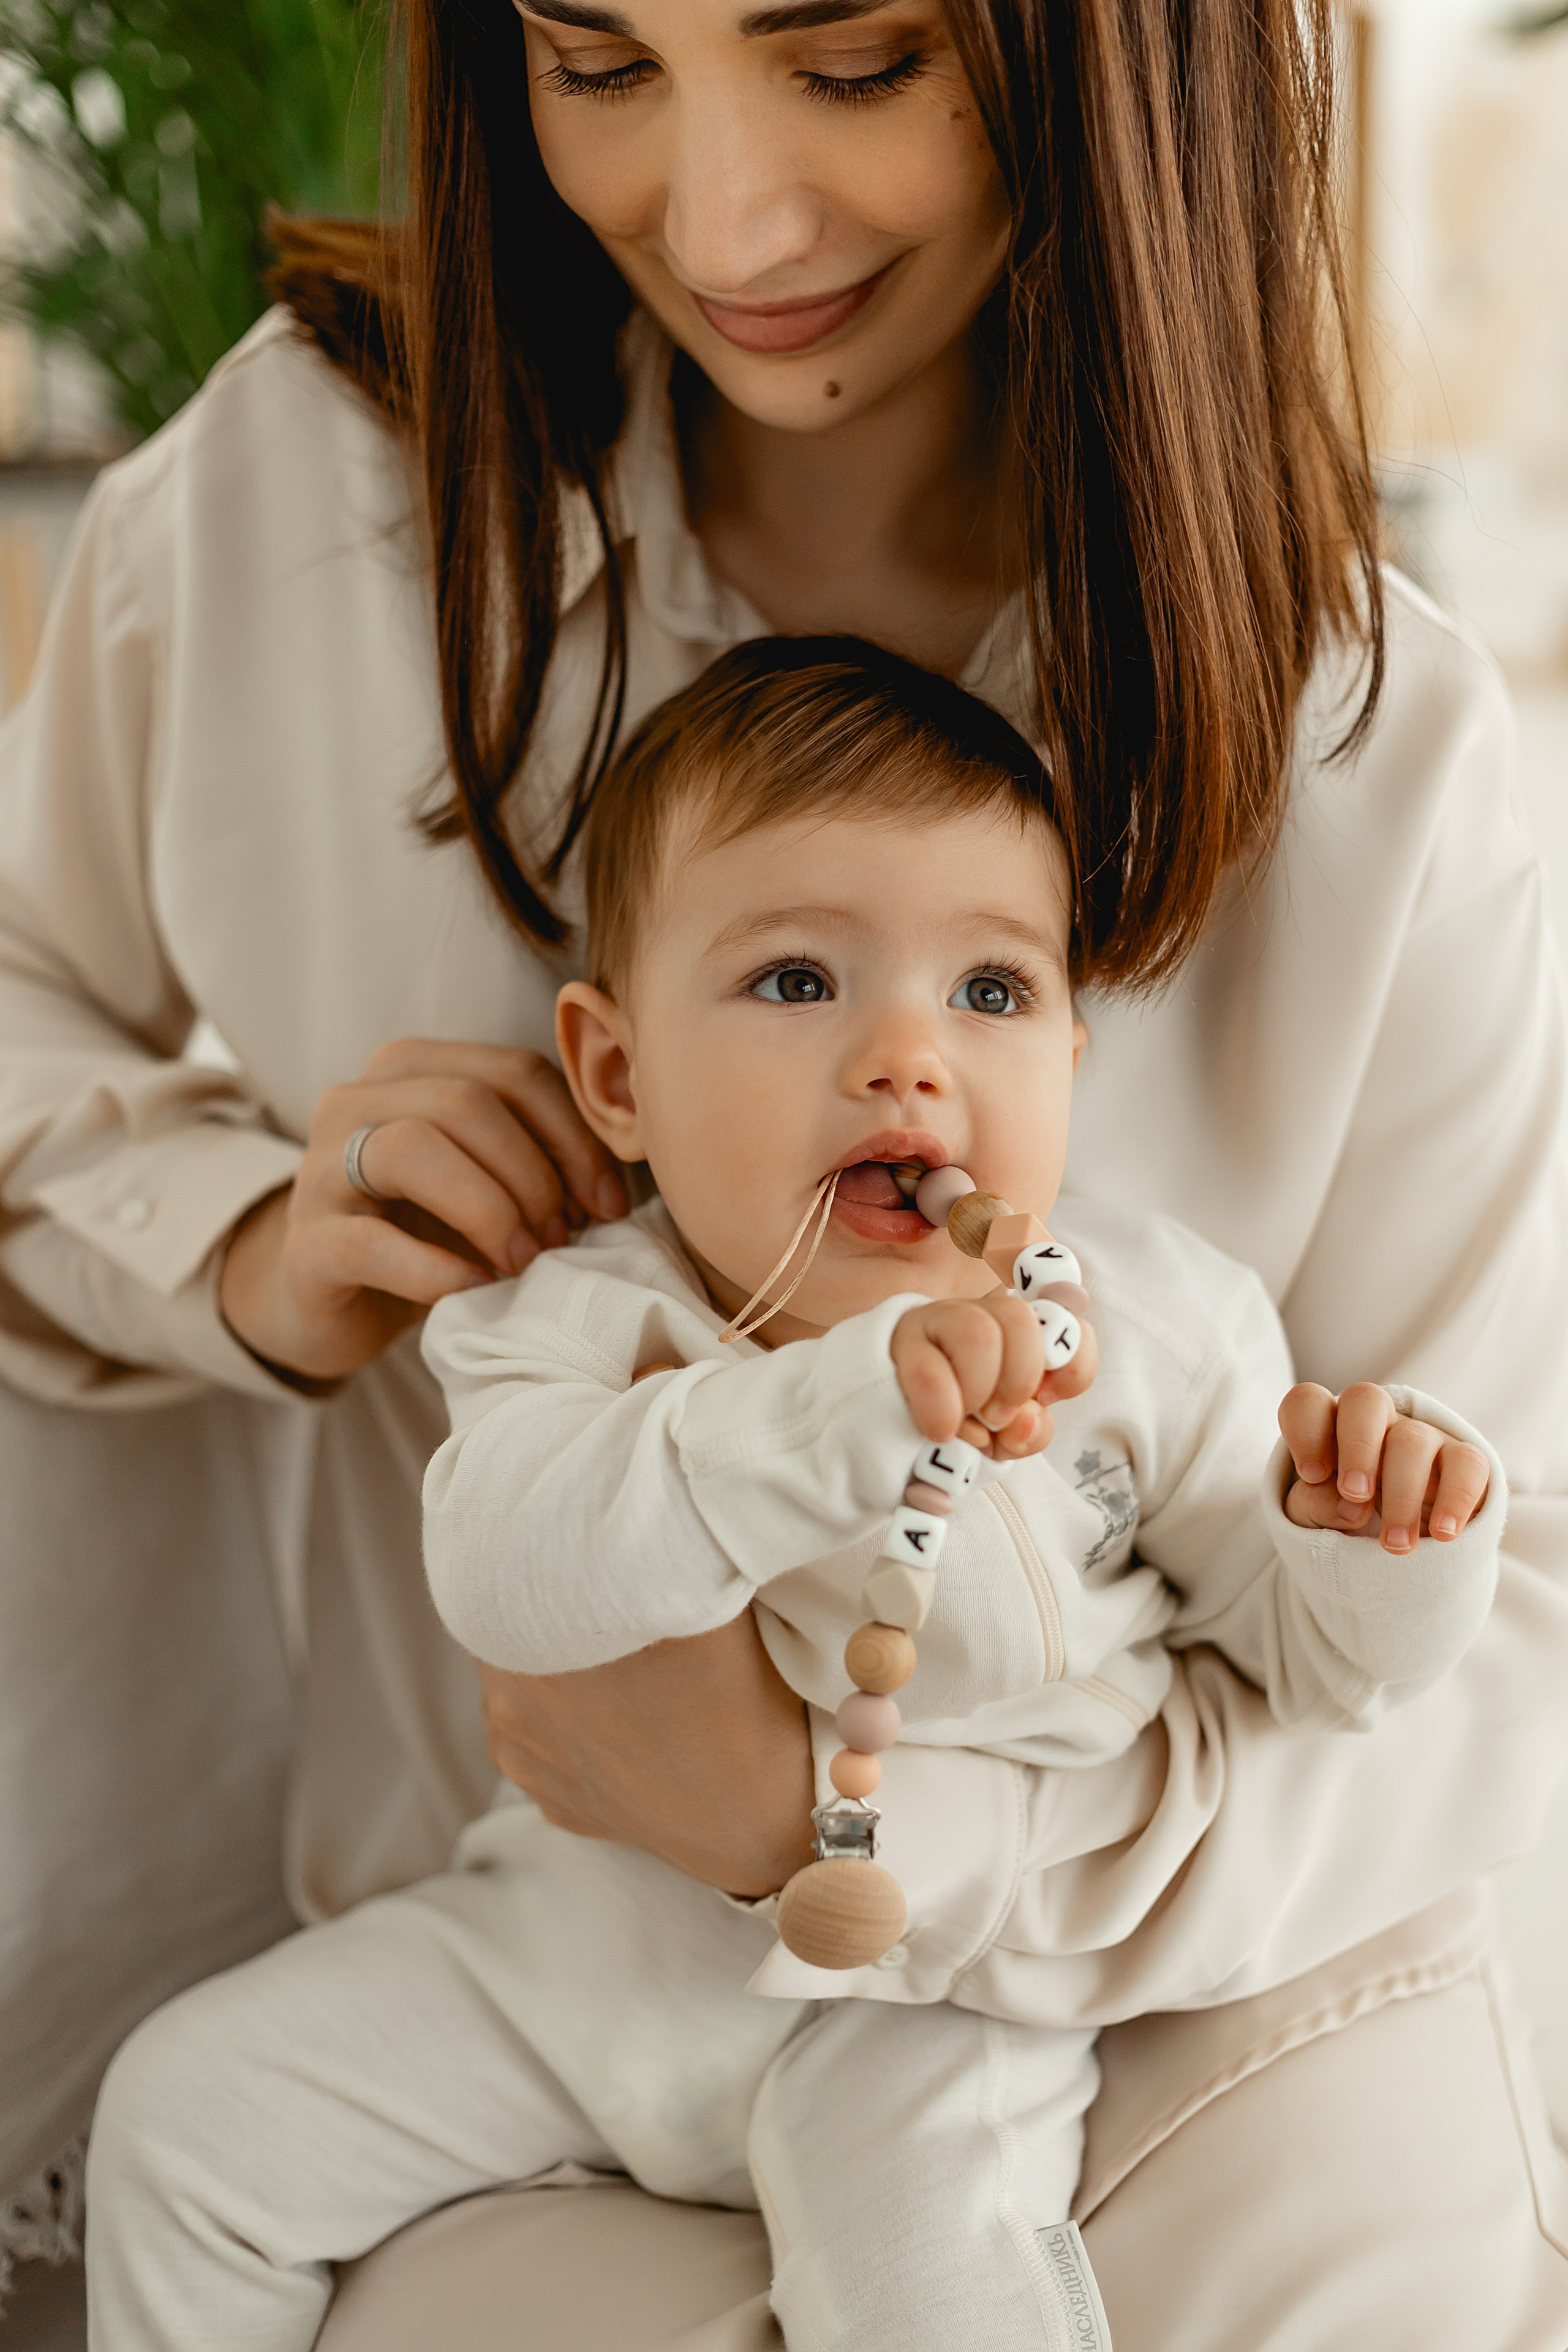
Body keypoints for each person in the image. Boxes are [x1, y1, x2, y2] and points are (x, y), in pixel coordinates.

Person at [1, 0, 1566, 2339]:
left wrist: (852, 1840)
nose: (724, 223)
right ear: (603, 1060)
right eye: (596, 58)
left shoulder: (1383, 768)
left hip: (1154, 2054)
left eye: (848, 67)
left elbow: (1480, 1672)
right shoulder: (293, 506)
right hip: (488, 1986)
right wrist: (231, 1239)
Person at [85, 641, 1504, 2352]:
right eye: (795, 982)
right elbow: (511, 1570)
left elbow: (1308, 1666)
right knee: (183, 2118)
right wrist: (840, 1404)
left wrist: (1386, 1541)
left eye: (988, 994)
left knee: (921, 2280)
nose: (908, 1058)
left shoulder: (1153, 1324)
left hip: (944, 1991)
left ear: (1069, 1050)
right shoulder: (576, 1316)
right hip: (591, 1947)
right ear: (617, 1078)